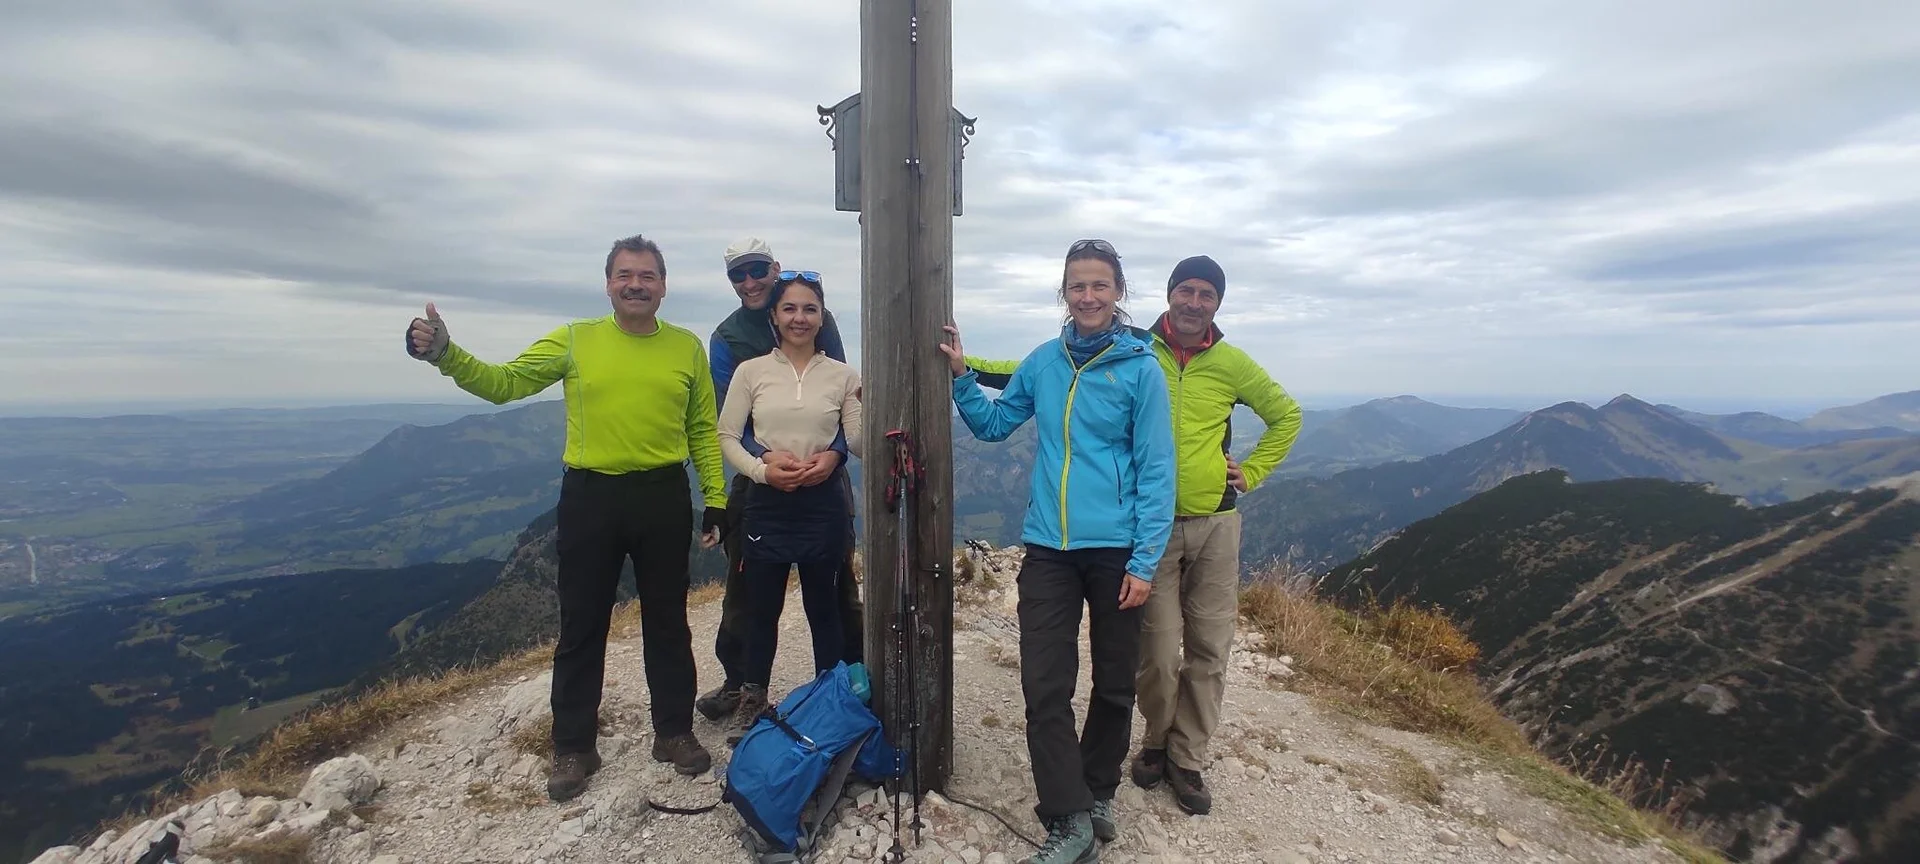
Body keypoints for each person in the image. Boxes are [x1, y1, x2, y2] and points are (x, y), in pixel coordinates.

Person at [962, 255, 1303, 816]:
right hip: (1107, 534)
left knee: (1198, 654)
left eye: (1206, 295)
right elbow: (1012, 391)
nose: (1194, 303)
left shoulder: (1208, 363)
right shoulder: (1117, 352)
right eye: (1185, 291)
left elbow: (1278, 417)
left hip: (1188, 525)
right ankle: (1135, 757)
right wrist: (961, 367)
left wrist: (1254, 471)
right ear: (1166, 295)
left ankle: (1176, 763)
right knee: (1151, 658)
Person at [404, 234, 725, 802]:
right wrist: (445, 354)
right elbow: (505, 384)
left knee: (668, 622)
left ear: (663, 286)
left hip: (663, 496)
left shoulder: (686, 348)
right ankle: (574, 745)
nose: (635, 284)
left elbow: (702, 428)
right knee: (581, 626)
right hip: (590, 495)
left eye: (647, 276)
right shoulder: (574, 340)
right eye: (625, 274)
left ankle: (673, 733)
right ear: (607, 283)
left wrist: (716, 497)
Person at [940, 238, 1176, 864]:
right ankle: (1068, 816)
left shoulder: (1141, 368)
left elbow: (1158, 469)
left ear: (1118, 293)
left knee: (1114, 682)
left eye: (1100, 285)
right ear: (1064, 293)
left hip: (1118, 549)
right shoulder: (1044, 362)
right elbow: (994, 426)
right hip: (1048, 546)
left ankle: (1099, 791)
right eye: (1078, 285)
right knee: (1045, 684)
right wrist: (962, 378)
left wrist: (1145, 561)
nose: (1089, 296)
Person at [699, 237, 866, 724]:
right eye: (738, 275)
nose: (748, 282)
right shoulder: (730, 341)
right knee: (751, 593)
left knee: (834, 594)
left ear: (772, 269)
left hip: (823, 485)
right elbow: (730, 421)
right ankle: (744, 685)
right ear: (777, 316)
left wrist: (835, 456)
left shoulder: (825, 333)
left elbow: (844, 409)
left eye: (756, 271)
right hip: (761, 484)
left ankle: (843, 683)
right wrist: (763, 461)